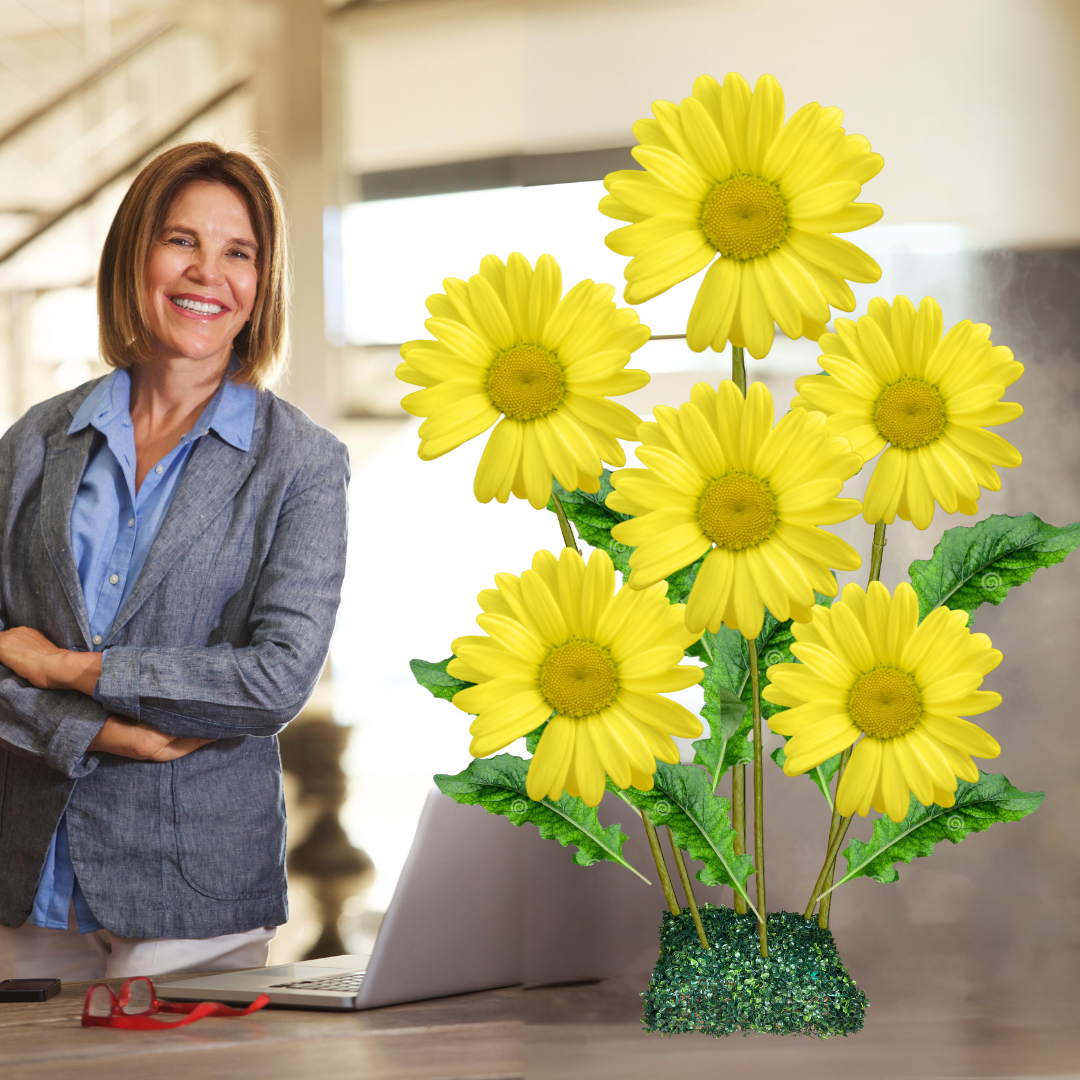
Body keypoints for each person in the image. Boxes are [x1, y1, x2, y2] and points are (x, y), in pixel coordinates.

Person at [0, 142, 349, 980]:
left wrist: (72, 668)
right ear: (136, 254)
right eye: (181, 240)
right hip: (21, 881)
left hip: (192, 899)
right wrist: (99, 729)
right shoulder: (34, 442)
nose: (208, 273)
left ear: (263, 285)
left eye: (240, 252)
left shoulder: (300, 463)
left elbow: (273, 681)